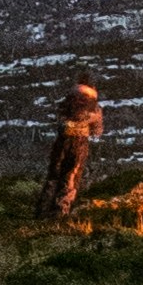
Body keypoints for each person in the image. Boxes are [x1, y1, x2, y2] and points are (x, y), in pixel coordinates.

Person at [38, 72, 103, 222]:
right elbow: (97, 131)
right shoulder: (94, 106)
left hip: (62, 140)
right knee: (71, 176)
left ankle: (43, 210)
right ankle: (61, 212)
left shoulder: (67, 101)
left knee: (54, 174)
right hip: (80, 142)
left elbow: (57, 119)